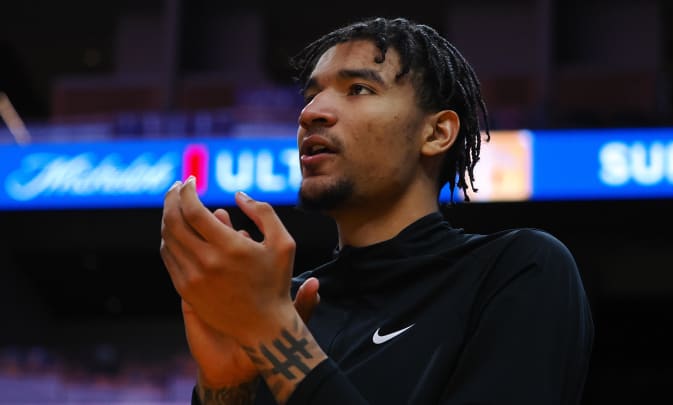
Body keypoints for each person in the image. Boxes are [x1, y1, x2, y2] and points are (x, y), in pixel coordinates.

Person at [160, 16, 594, 405]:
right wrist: (224, 387)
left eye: (359, 89)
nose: (311, 113)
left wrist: (273, 334)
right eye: (311, 96)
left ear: (436, 132)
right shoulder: (284, 304)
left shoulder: (518, 268)